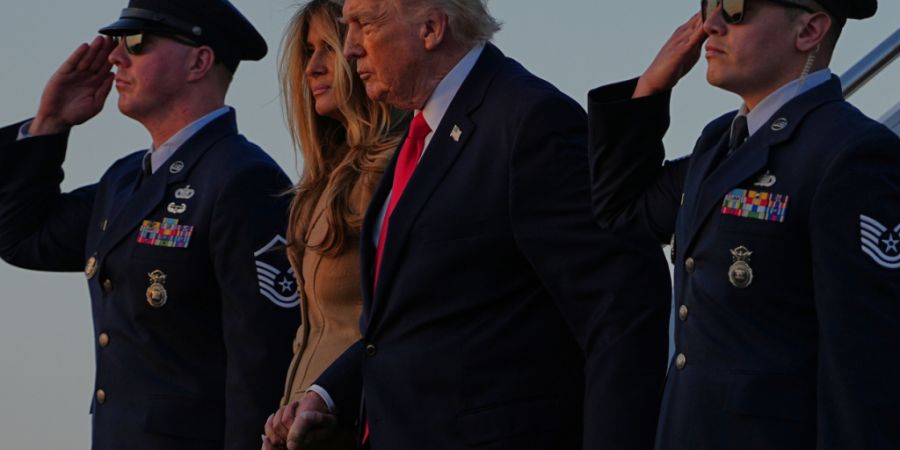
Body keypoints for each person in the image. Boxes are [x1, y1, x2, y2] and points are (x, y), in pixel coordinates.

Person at [262, 0, 672, 449]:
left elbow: (621, 306)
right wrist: (328, 394)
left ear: (431, 28)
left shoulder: (528, 121)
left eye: (365, 24)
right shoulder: (422, 135)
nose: (351, 47)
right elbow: (412, 324)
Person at [587, 0, 900, 448]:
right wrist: (651, 89)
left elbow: (865, 371)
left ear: (809, 30)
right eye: (708, 4)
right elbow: (622, 211)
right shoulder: (720, 142)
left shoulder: (849, 155)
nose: (711, 24)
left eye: (735, 8)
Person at [0, 1, 300, 448]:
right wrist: (49, 124)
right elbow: (24, 237)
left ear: (198, 61)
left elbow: (262, 362)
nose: (116, 57)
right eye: (118, 42)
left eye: (137, 43)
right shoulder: (124, 181)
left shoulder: (242, 178)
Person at [263, 0, 406, 448]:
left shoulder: (395, 170)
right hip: (303, 430)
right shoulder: (318, 184)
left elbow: (398, 324)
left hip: (361, 425)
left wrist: (329, 400)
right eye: (308, 52)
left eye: (329, 46)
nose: (314, 67)